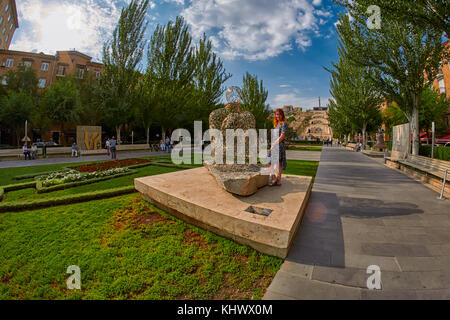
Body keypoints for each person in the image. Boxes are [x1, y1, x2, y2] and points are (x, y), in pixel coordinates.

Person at [269, 109, 288, 186]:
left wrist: (274, 144)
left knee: (279, 162)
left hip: (279, 145)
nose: (277, 116)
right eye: (276, 114)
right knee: (269, 161)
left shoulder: (284, 124)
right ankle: (275, 177)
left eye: (279, 114)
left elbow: (282, 135)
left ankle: (278, 178)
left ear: (282, 115)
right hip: (275, 144)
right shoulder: (276, 125)